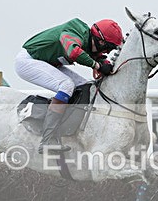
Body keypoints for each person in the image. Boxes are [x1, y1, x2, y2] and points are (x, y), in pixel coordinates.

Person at [14, 18, 124, 153]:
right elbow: (74, 52)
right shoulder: (74, 31)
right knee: (66, 85)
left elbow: (96, 55)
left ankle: (66, 128)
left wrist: (104, 63)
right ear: (100, 41)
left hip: (46, 62)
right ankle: (47, 140)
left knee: (86, 86)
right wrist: (97, 65)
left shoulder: (89, 40)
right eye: (108, 47)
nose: (107, 52)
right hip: (28, 61)